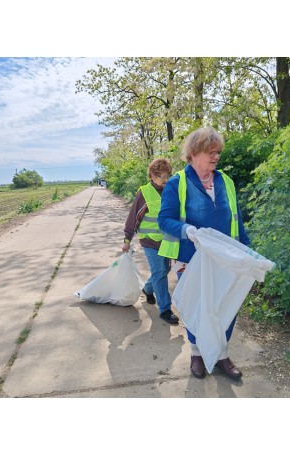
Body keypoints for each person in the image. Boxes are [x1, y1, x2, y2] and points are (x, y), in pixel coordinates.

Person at [157, 126, 251, 379]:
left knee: (225, 306)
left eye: (218, 152)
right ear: (194, 153)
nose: (216, 157)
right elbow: (164, 220)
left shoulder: (225, 181)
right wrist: (188, 230)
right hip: (190, 257)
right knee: (197, 308)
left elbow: (237, 219)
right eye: (211, 152)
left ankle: (221, 355)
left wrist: (248, 252)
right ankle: (197, 354)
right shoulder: (178, 182)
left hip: (226, 257)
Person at [121, 158, 179, 324]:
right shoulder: (144, 193)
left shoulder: (170, 190)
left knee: (164, 270)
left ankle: (147, 289)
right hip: (150, 241)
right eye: (161, 176)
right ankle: (165, 309)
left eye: (167, 175)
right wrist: (127, 240)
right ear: (152, 175)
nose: (165, 179)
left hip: (167, 240)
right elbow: (133, 218)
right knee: (160, 272)